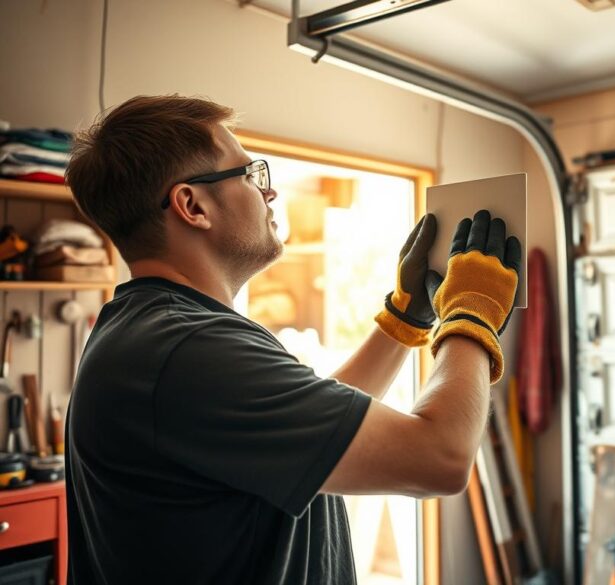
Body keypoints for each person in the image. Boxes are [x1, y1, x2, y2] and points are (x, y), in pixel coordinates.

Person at [62, 94, 521, 584]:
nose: (270, 193)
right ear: (192, 205)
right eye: (250, 174)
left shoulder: (162, 331)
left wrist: (403, 320)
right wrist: (472, 318)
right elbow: (440, 459)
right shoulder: (186, 350)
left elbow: (319, 436)